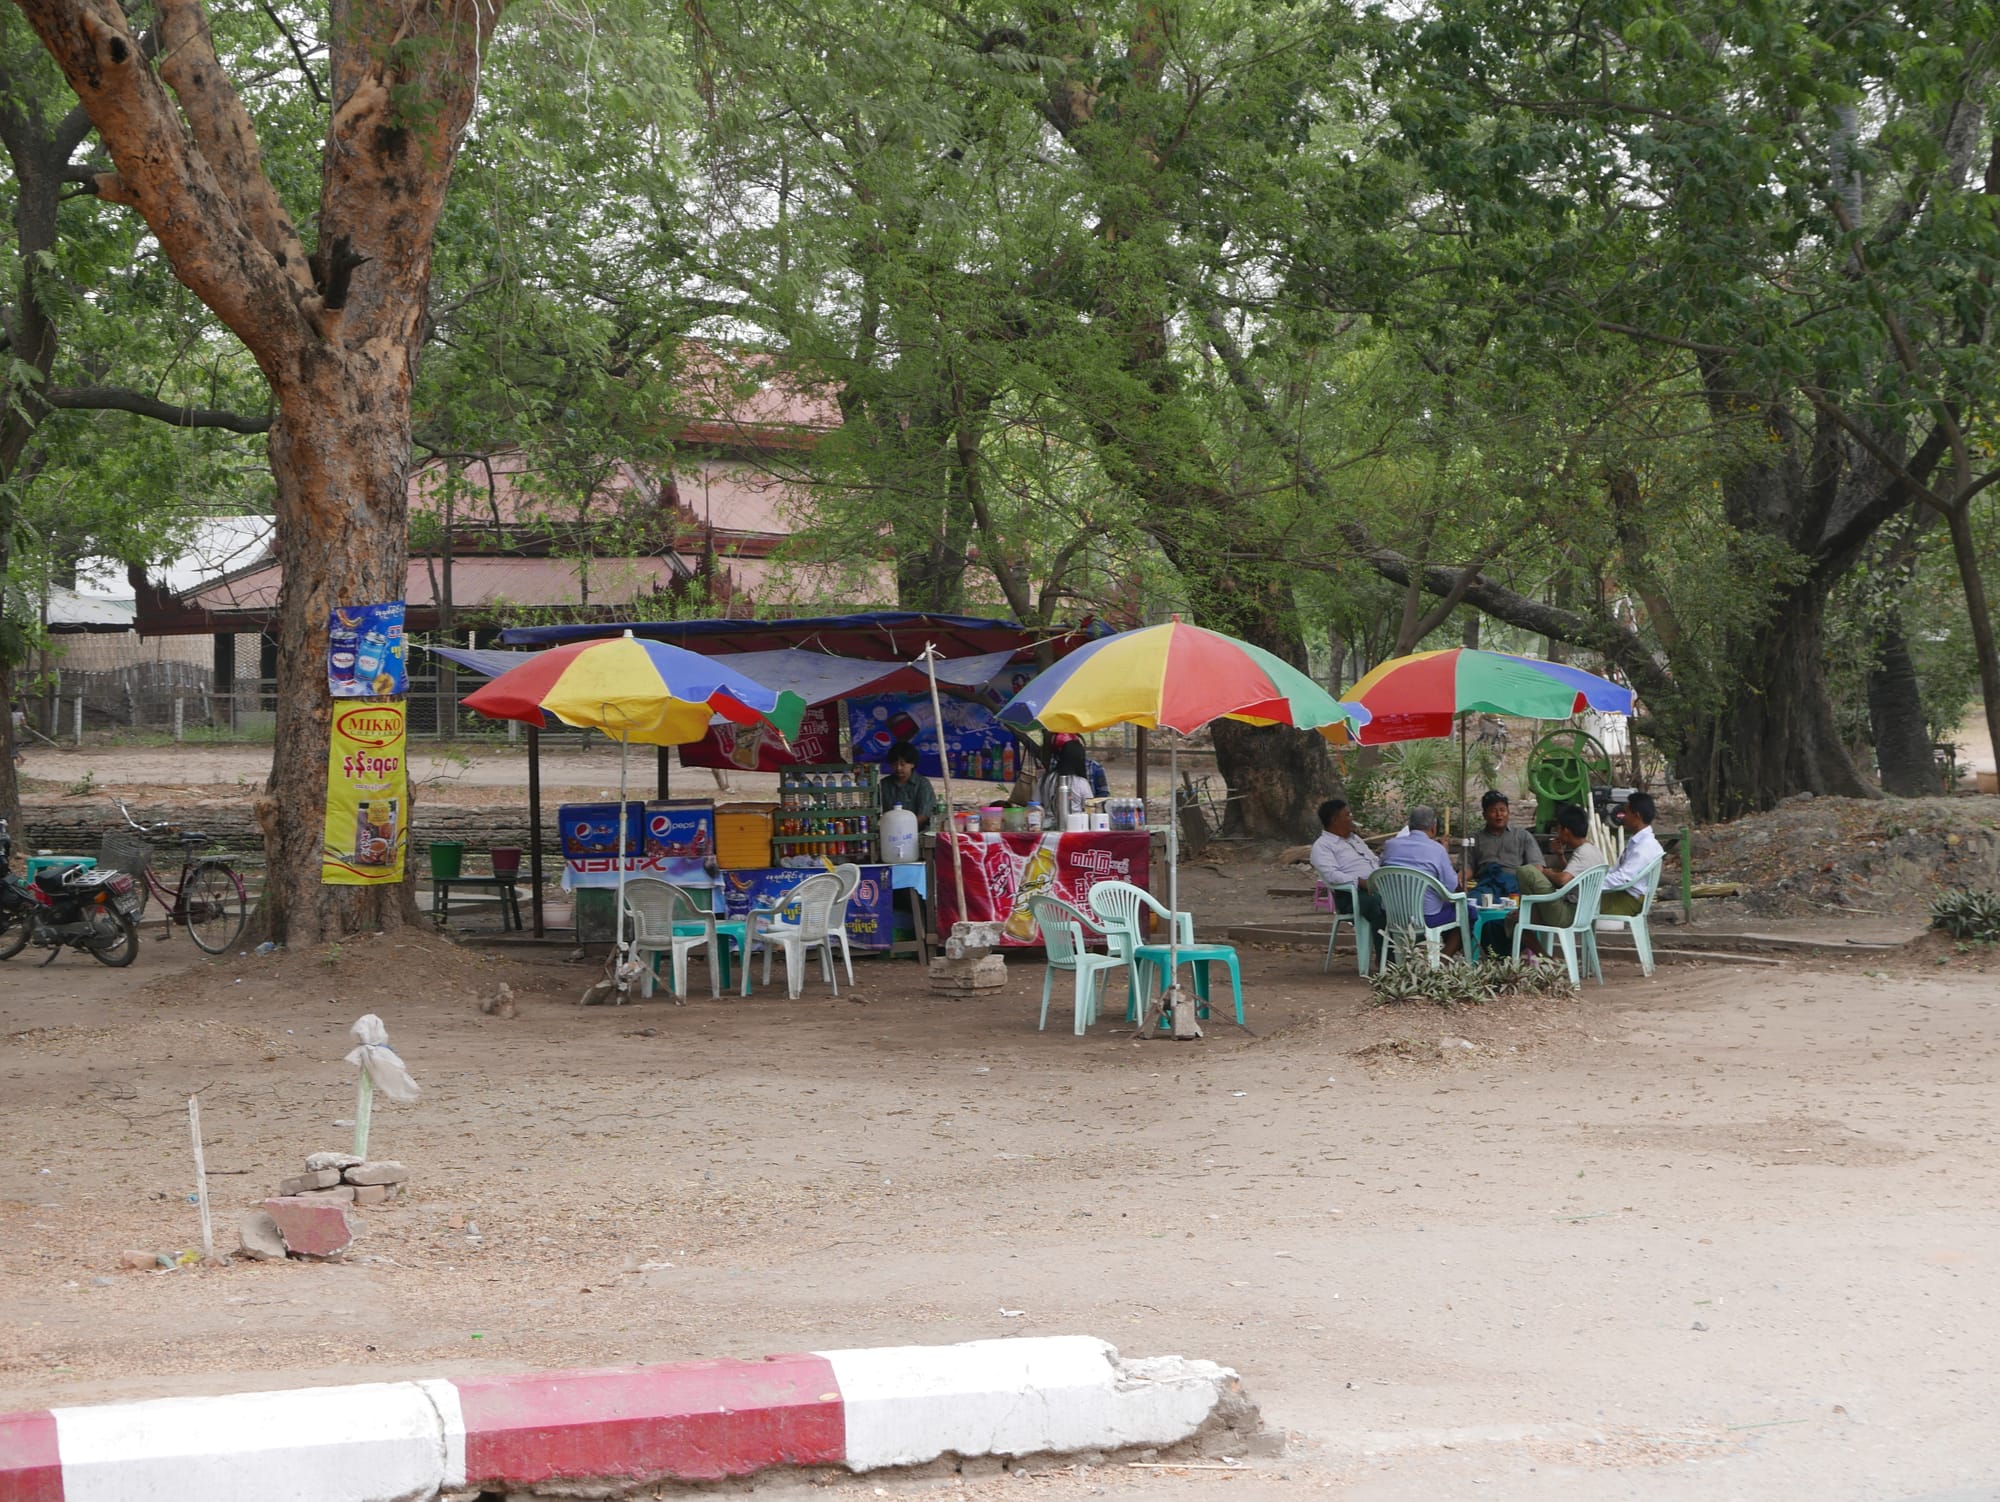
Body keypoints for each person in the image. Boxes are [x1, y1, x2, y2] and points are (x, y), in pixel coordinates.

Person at [1380, 805, 1465, 947]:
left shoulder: (1390, 845)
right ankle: (1443, 959)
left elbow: (1381, 873)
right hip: (1427, 917)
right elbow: (1452, 886)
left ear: (1409, 825)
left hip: (1392, 915)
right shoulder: (1437, 850)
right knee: (1468, 912)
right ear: (1433, 827)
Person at [1510, 804, 1606, 929]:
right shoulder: (1593, 850)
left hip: (1569, 914)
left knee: (1526, 871)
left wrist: (1543, 871)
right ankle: (1537, 939)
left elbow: (1563, 880)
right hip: (1583, 912)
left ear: (1565, 831)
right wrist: (1560, 856)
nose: (1556, 834)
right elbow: (1574, 878)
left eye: (1558, 829)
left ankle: (1530, 913)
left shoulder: (1583, 852)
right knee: (1514, 920)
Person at [1309, 798, 1387, 933]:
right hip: (1351, 895)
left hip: (1375, 886)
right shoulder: (1322, 846)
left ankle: (1406, 948)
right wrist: (1360, 882)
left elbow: (1373, 860)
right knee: (1377, 903)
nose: (1351, 818)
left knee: (1403, 898)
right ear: (1335, 820)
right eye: (1347, 815)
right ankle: (1386, 953)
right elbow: (1332, 876)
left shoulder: (1355, 839)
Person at [1601, 791, 1663, 916]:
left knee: (1578, 906)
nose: (1623, 816)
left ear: (1637, 816)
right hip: (1624, 895)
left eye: (1626, 813)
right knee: (1578, 901)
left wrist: (1591, 884)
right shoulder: (1637, 841)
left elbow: (1623, 878)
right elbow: (1616, 871)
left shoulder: (1645, 846)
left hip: (1629, 900)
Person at [1470, 790, 1543, 875]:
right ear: (1484, 815)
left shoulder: (1523, 836)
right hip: (1486, 882)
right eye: (1493, 811)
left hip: (1515, 882)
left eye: (1502, 810)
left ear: (1508, 812)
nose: (1499, 814)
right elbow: (1467, 868)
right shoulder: (1474, 839)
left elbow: (1537, 866)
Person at [880, 740, 938, 827]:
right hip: (889, 831)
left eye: (902, 764)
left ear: (912, 764)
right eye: (895, 764)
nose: (898, 768)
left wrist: (904, 829)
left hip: (916, 833)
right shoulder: (884, 784)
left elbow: (924, 815)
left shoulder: (922, 784)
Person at [1039, 735, 1092, 818]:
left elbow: (1035, 803)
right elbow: (1090, 808)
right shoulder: (1081, 783)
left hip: (1048, 824)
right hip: (1075, 824)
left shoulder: (1046, 779)